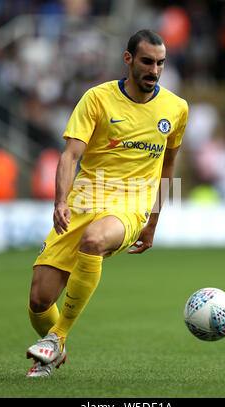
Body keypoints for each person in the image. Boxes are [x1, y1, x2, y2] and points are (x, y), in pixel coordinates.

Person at [26, 29, 188, 377]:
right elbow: (70, 155)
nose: (154, 70)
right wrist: (60, 201)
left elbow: (168, 167)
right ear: (128, 59)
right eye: (147, 61)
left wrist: (153, 222)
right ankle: (55, 348)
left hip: (131, 205)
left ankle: (57, 338)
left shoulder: (176, 109)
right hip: (83, 200)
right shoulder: (97, 99)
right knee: (39, 302)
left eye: (160, 63)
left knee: (95, 240)